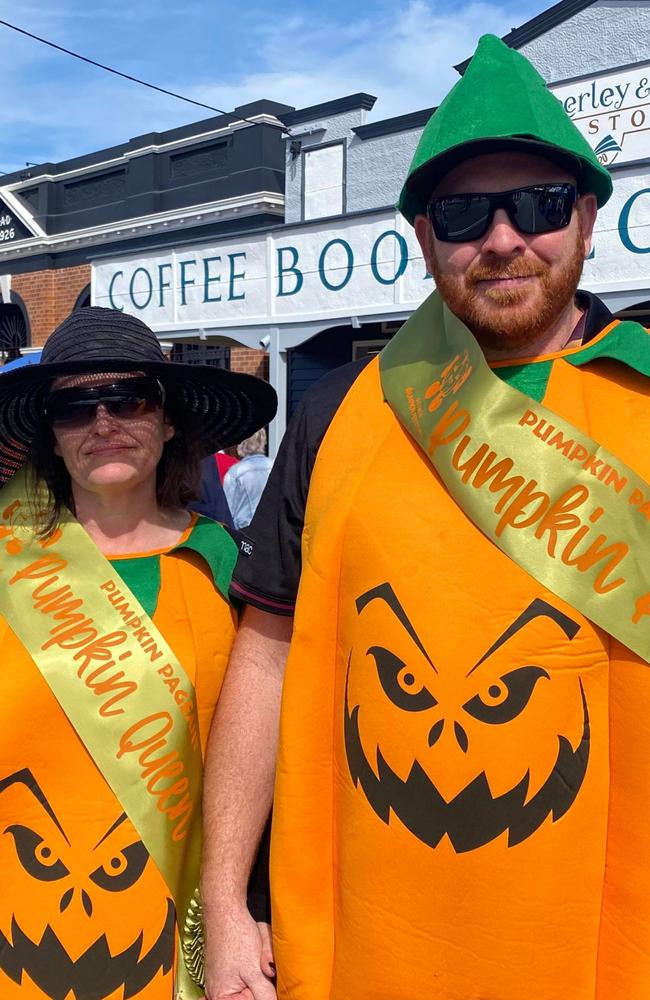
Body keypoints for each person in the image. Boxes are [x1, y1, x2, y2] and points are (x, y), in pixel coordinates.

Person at [202, 34, 650, 1000]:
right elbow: (264, 654)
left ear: (585, 219)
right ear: (422, 237)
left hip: (599, 945)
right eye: (461, 214)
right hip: (368, 935)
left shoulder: (647, 403)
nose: (500, 240)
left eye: (536, 206)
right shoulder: (344, 409)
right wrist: (228, 902)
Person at [0, 307, 276, 1000]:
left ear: (169, 419)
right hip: (20, 923)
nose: (102, 423)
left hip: (180, 922)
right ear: (51, 439)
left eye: (128, 399)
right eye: (74, 407)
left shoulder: (234, 569)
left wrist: (252, 912)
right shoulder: (7, 564)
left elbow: (274, 754)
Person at [223, 429, 274, 530]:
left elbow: (227, 509)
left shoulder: (235, 472)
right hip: (270, 528)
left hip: (244, 530)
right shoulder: (275, 466)